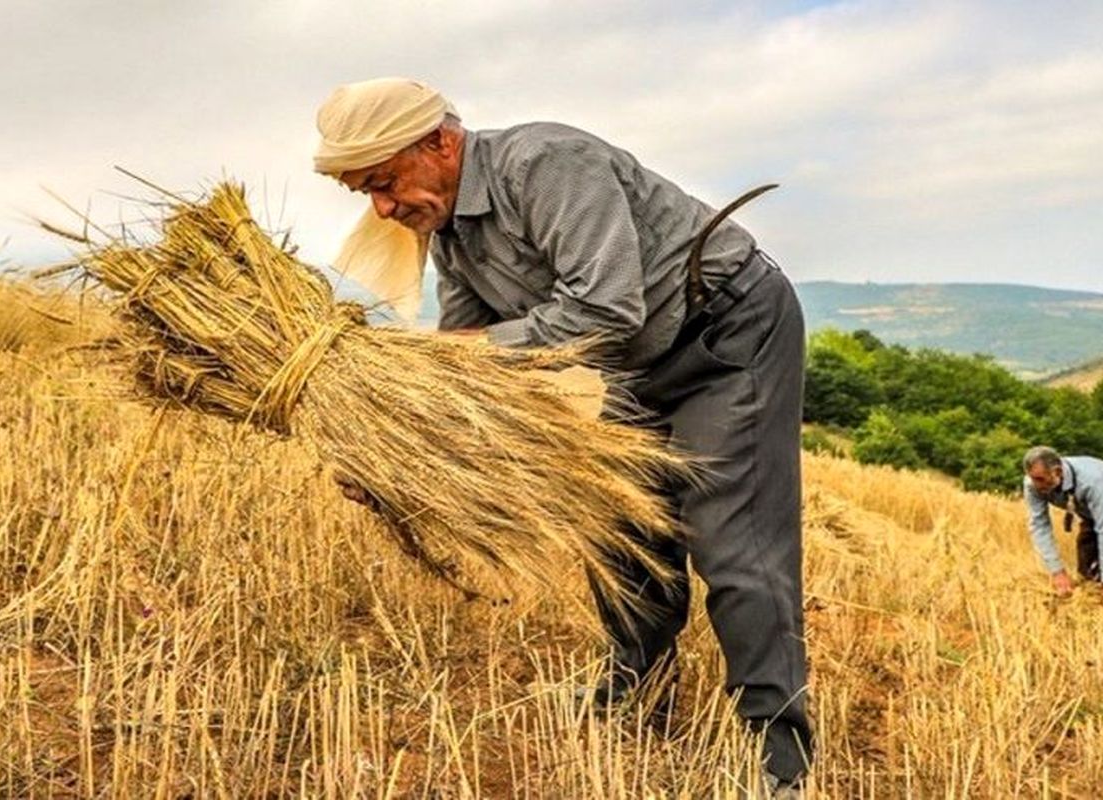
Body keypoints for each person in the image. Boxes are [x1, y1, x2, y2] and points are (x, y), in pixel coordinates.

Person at [313, 77, 812, 792]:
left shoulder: (545, 164)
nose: (384, 208)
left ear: (439, 143)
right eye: (367, 192)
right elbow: (469, 365)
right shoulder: (451, 235)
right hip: (640, 362)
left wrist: (464, 354)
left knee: (735, 548)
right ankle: (630, 691)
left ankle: (777, 756)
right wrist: (398, 450)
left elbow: (607, 306)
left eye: (386, 182)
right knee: (622, 531)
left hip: (725, 333)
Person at [1023, 446, 1103, 604]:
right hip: (1089, 511)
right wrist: (1057, 572)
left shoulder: (1089, 481)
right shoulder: (1032, 484)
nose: (1036, 485)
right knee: (1086, 566)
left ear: (1057, 472)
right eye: (1032, 478)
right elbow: (1039, 526)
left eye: (1040, 479)